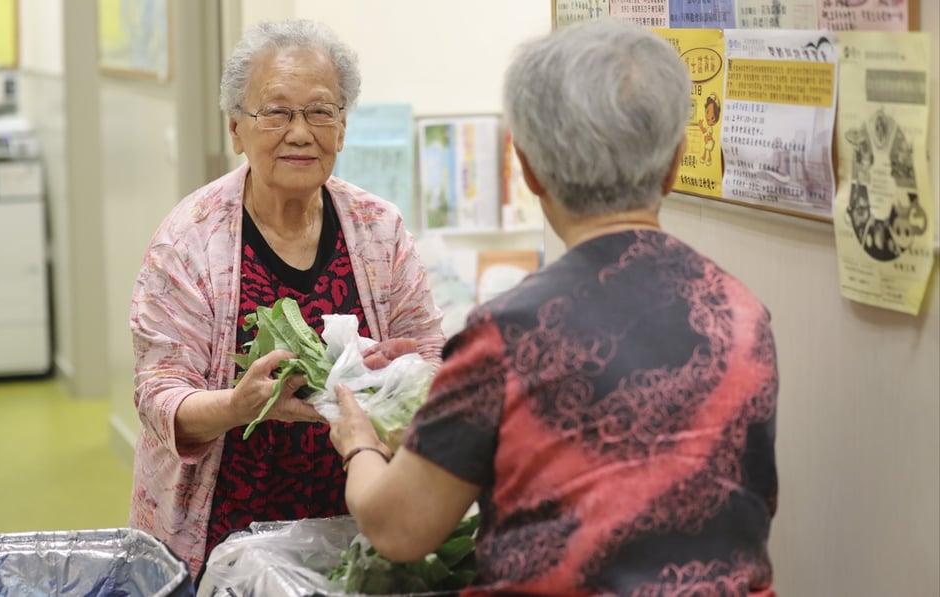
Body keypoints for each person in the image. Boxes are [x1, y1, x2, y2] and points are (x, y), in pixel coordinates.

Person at [329, 20, 779, 596]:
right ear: (674, 164)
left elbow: (399, 527)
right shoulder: (744, 315)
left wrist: (359, 443)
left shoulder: (508, 334)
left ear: (528, 168)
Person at [128, 18, 444, 578]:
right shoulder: (188, 240)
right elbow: (159, 396)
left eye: (320, 112)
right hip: (224, 536)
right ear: (235, 130)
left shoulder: (379, 229)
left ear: (342, 127)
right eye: (275, 112)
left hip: (359, 525)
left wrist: (400, 378)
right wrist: (236, 406)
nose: (300, 133)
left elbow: (431, 356)